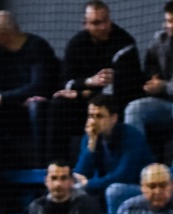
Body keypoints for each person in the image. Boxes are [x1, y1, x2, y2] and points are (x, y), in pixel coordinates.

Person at [47, 1, 138, 162]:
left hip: (115, 103)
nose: (102, 27)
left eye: (105, 21)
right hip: (84, 103)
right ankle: (57, 165)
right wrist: (90, 82)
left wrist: (81, 92)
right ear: (85, 25)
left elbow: (128, 84)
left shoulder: (124, 42)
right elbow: (65, 82)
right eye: (96, 23)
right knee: (58, 104)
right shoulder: (76, 44)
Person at [124, 0, 173, 168]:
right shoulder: (161, 40)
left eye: (169, 21)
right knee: (134, 108)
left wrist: (165, 86)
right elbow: (151, 63)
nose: (165, 25)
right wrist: (152, 78)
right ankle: (140, 166)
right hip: (164, 103)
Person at [0, 11, 59, 168]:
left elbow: (39, 85)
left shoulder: (37, 46)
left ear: (5, 33)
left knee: (36, 106)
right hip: (13, 107)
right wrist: (14, 98)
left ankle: (40, 167)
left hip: (39, 106)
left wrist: (3, 98)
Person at [73, 94, 154, 196]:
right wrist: (91, 144)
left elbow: (124, 176)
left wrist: (89, 184)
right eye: (91, 116)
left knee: (114, 191)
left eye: (99, 116)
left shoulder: (131, 135)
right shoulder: (90, 136)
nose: (93, 122)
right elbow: (80, 174)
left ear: (113, 118)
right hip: (105, 187)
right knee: (75, 190)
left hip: (139, 189)